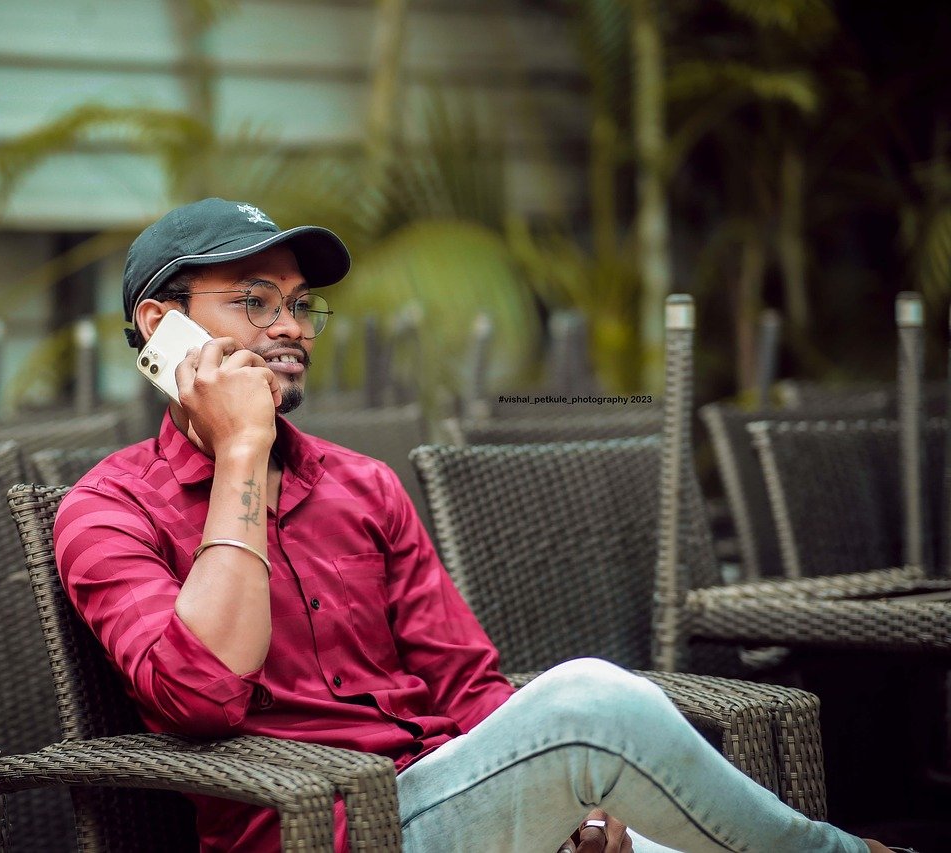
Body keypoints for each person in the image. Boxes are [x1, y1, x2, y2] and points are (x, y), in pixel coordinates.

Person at [54, 198, 905, 853]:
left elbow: (467, 686)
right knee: (592, 697)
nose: (290, 327)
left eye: (302, 304)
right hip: (319, 828)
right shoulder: (107, 509)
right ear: (163, 328)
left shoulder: (363, 486)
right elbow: (202, 696)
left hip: (454, 799)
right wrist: (242, 446)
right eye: (255, 300)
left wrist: (577, 803)